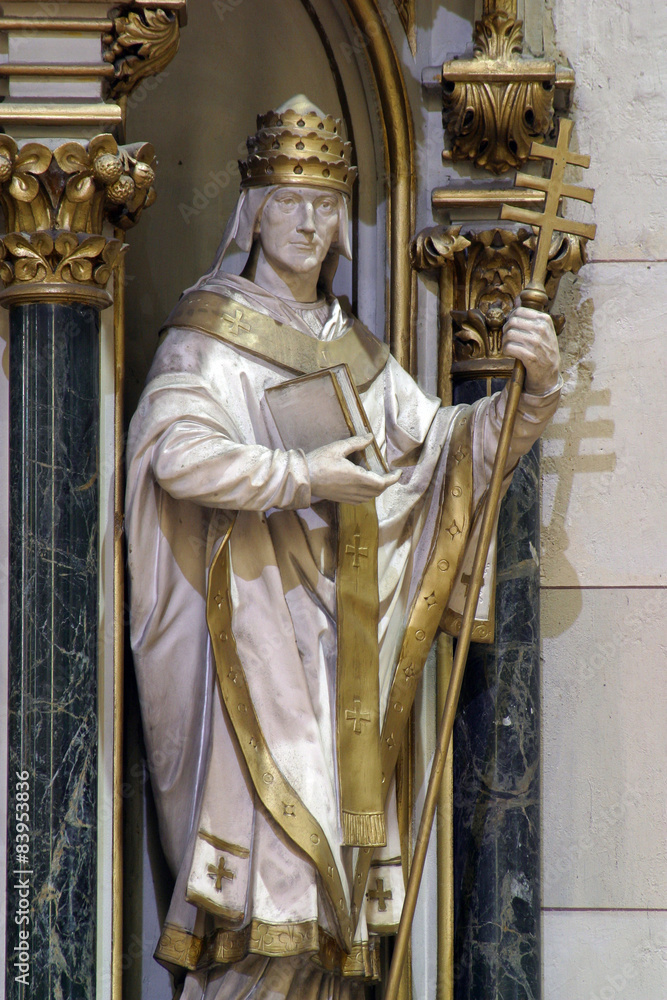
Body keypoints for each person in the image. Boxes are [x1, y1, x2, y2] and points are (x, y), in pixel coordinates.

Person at [125, 97, 561, 1000]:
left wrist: (535, 393)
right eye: (288, 198)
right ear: (250, 211)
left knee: (334, 922)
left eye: (325, 202)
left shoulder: (357, 353)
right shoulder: (207, 344)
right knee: (265, 901)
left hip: (343, 661)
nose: (307, 220)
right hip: (246, 650)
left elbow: (446, 451)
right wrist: (302, 475)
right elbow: (175, 454)